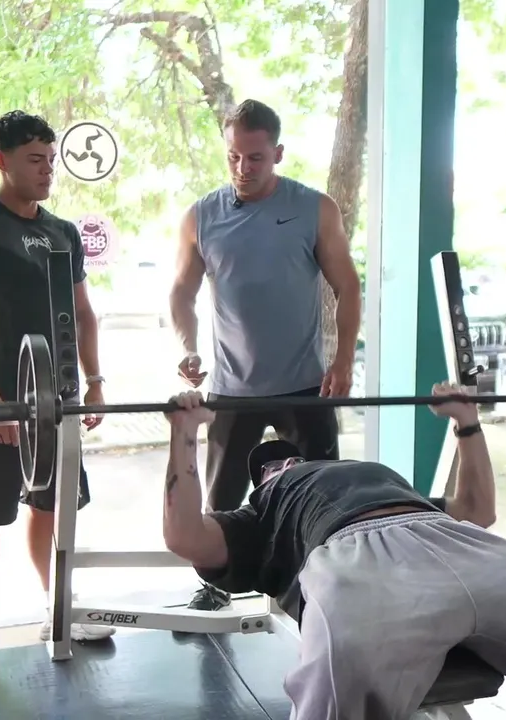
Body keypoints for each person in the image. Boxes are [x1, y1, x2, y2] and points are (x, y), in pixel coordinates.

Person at [159, 386, 506, 720]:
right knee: (341, 682)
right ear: (262, 484)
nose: (284, 465)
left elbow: (477, 509)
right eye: (270, 468)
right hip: (357, 561)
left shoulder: (371, 475)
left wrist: (467, 421)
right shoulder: (258, 517)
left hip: (456, 541)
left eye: (287, 458)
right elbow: (185, 536)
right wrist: (185, 435)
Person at [0, 110, 114, 683]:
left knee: (52, 507)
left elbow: (83, 313)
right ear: (2, 161)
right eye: (35, 160)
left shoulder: (63, 233)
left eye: (50, 160)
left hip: (55, 398)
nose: (47, 171)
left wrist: (94, 381)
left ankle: (58, 609)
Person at [169, 98, 363, 612]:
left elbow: (347, 285)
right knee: (221, 500)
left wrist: (343, 360)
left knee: (323, 494)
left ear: (277, 153)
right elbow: (182, 292)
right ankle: (215, 586)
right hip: (232, 389)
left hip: (304, 383)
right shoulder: (201, 217)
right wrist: (188, 347)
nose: (243, 168)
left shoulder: (314, 208)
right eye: (233, 156)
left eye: (255, 157)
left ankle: (324, 588)